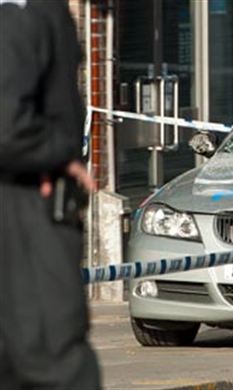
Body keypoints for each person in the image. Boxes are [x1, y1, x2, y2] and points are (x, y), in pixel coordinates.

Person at [0, 0, 101, 388]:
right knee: (57, 365)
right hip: (24, 212)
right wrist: (57, 154)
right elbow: (6, 127)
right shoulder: (24, 11)